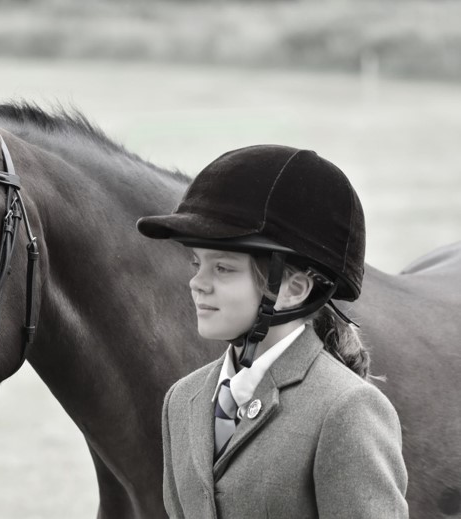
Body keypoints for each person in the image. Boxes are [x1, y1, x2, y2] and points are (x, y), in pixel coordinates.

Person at [136, 145, 408, 518]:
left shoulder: (346, 410)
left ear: (293, 289)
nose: (197, 283)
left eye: (223, 269)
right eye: (197, 264)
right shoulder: (182, 401)